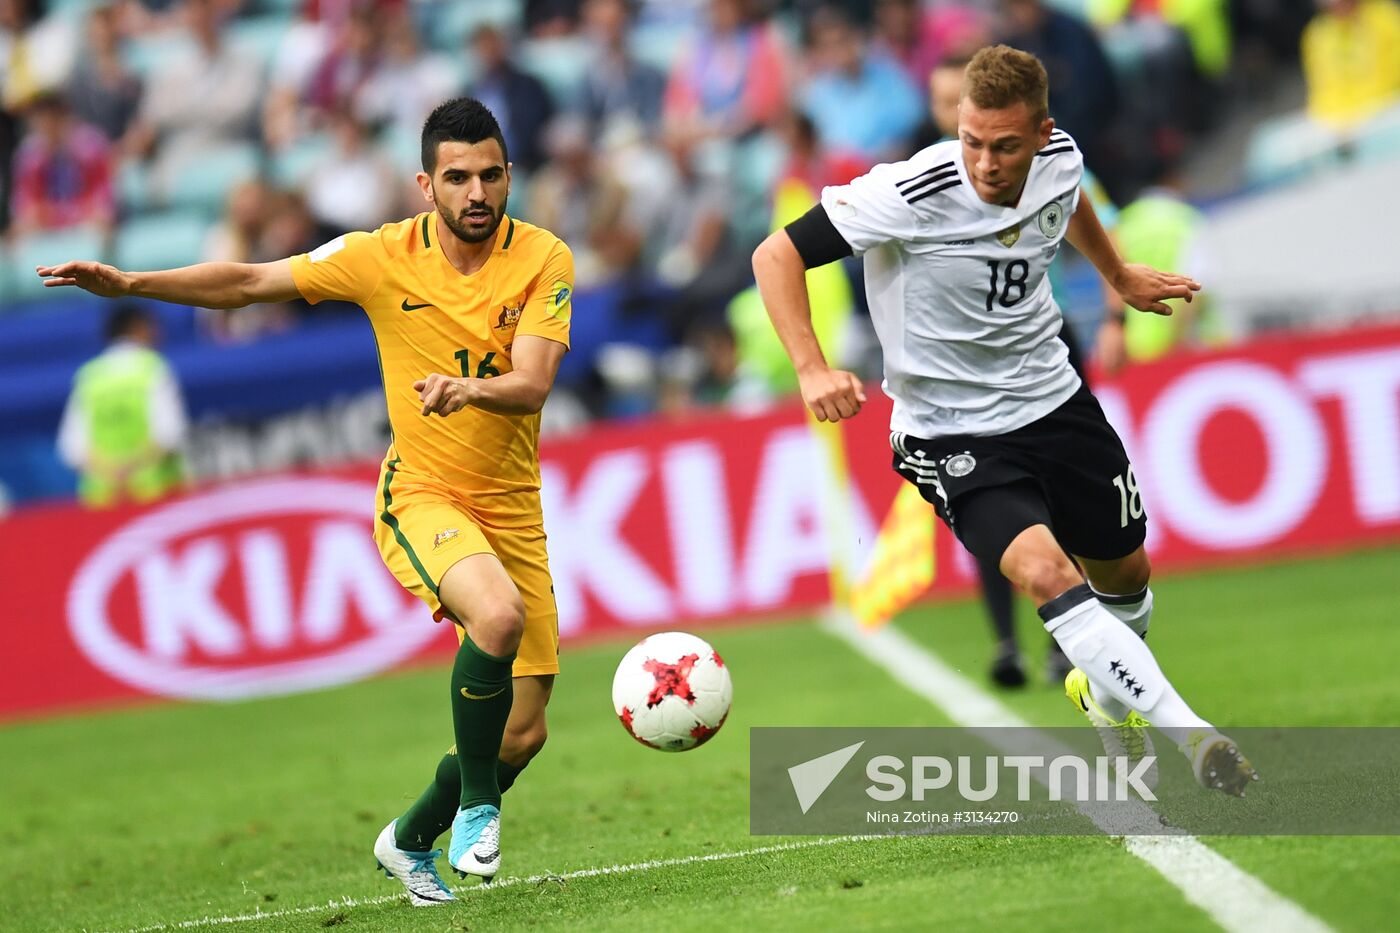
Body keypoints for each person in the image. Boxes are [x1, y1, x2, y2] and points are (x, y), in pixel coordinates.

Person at [38, 98, 575, 903]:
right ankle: (477, 807)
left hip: (512, 505)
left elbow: (532, 382)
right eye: (458, 177)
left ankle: (408, 840)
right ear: (425, 184)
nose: (476, 192)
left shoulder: (543, 257)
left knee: (523, 731)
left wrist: (468, 388)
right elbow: (251, 280)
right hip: (423, 492)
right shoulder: (380, 256)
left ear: (509, 176)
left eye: (490, 175)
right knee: (495, 619)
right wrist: (133, 282)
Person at [751, 46, 1257, 795]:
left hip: (1053, 401)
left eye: (1006, 146)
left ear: (1041, 132)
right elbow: (775, 256)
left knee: (1126, 575)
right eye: (972, 141)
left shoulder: (1059, 158)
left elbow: (1068, 197)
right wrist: (810, 368)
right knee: (1048, 573)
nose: (986, 164)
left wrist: (1117, 274)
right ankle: (1195, 737)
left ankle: (1105, 697)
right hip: (948, 430)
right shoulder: (910, 190)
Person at [57, 303, 189, 508]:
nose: (158, 334)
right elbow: (170, 434)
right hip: (156, 498)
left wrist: (113, 472)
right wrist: (130, 468)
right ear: (137, 327)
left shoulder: (89, 376)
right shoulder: (153, 368)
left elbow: (72, 449)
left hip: (103, 503)